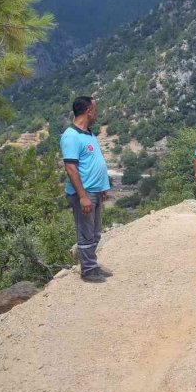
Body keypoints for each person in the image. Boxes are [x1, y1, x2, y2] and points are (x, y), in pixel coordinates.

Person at [60, 96, 112, 283]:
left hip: (94, 191)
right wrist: (82, 196)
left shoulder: (88, 133)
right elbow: (71, 168)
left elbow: (93, 162)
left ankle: (92, 264)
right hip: (84, 193)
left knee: (95, 233)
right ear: (88, 111)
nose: (96, 114)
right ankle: (88, 271)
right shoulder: (71, 136)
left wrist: (103, 187)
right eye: (95, 110)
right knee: (86, 234)